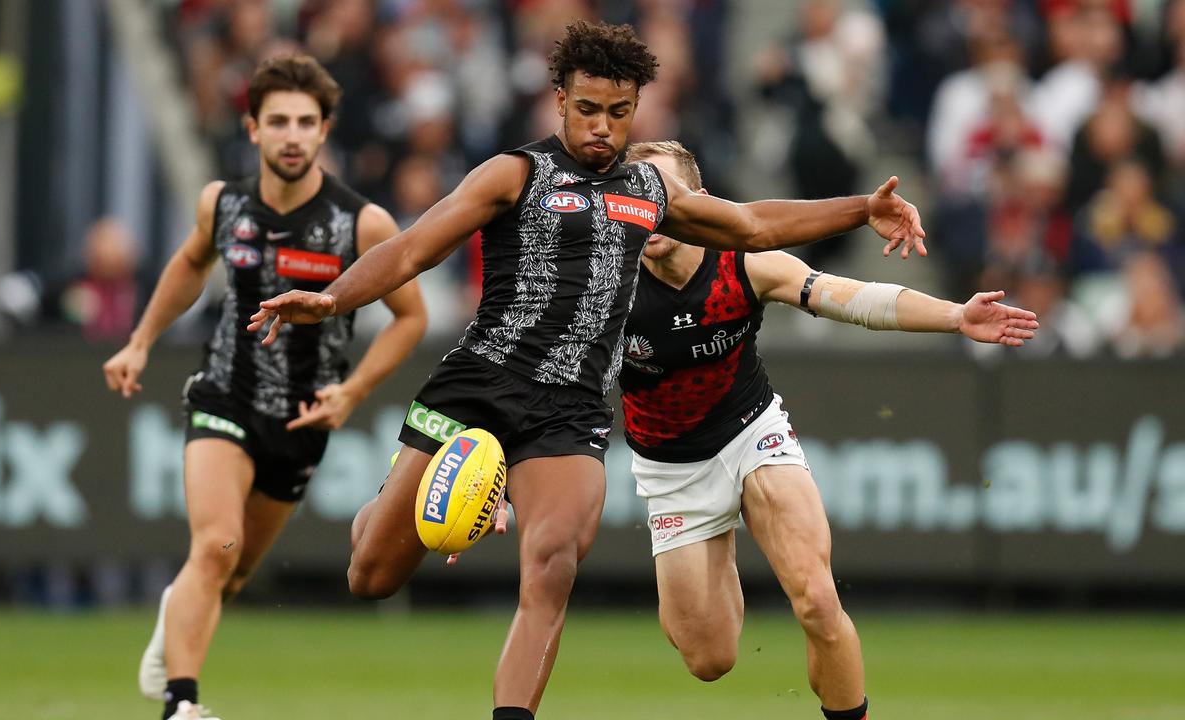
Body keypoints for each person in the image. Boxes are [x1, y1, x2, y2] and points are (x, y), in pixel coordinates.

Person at [247, 21, 925, 720]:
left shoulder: (649, 192)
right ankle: (390, 502)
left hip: (568, 412)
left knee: (553, 566)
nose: (603, 127)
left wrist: (858, 209)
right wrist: (332, 298)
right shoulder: (516, 173)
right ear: (560, 99)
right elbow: (417, 246)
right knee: (371, 577)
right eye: (588, 109)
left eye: (620, 112)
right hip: (478, 386)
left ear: (636, 110)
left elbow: (751, 224)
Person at [618, 140, 1039, 720]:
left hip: (751, 433)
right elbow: (539, 375)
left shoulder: (744, 261)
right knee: (708, 658)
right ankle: (718, 543)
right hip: (671, 468)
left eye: (668, 195)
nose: (654, 208)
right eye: (639, 196)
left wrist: (954, 316)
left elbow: (850, 298)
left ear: (702, 203)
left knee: (817, 599)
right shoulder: (604, 285)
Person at [102, 55, 426, 720]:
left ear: (325, 131)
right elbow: (192, 263)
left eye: (306, 122)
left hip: (304, 420)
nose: (292, 135)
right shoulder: (223, 204)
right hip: (225, 395)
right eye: (277, 120)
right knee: (215, 544)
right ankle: (181, 704)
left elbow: (411, 316)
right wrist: (140, 340)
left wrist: (355, 390)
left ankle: (178, 614)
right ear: (251, 128)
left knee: (235, 571)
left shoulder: (361, 224)